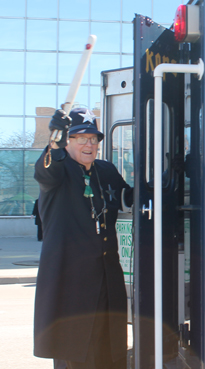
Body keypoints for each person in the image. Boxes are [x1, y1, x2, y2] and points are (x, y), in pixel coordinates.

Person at [33, 107, 133, 369]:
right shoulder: (59, 170)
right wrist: (53, 139)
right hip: (71, 286)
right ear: (68, 142)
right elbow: (45, 169)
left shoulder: (106, 170)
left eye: (93, 139)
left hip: (108, 280)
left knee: (111, 353)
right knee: (76, 355)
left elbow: (130, 199)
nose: (89, 145)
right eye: (81, 138)